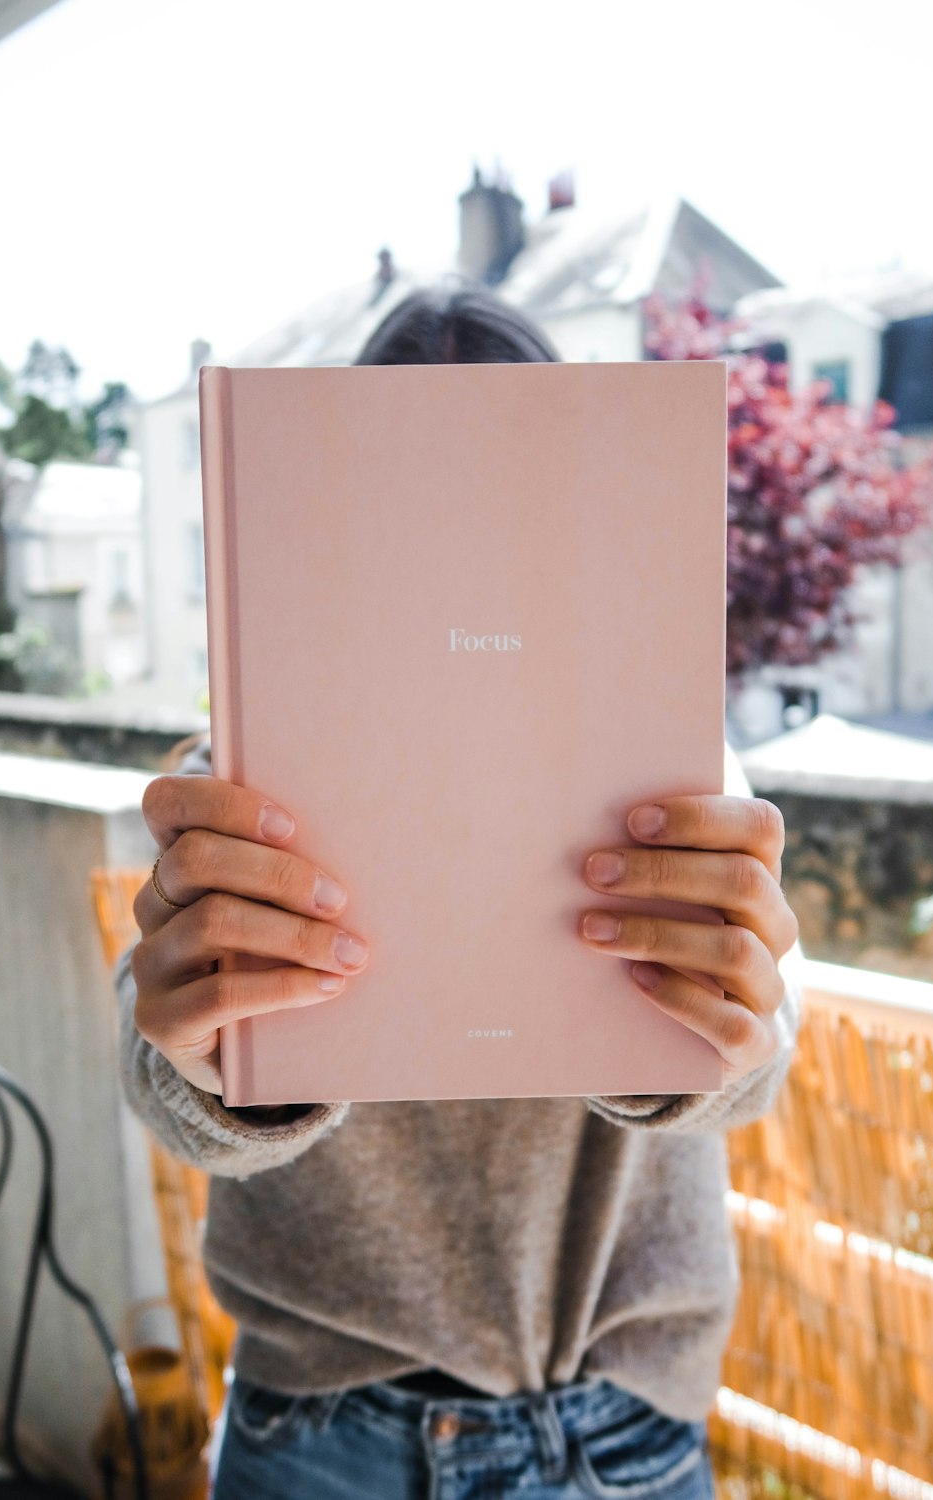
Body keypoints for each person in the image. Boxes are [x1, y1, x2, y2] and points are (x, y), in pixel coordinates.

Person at [115, 281, 805, 1500]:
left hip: (618, 1433)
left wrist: (727, 1014)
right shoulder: (244, 780)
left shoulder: (671, 767)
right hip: (317, 1429)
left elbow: (758, 1061)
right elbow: (160, 1080)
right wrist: (201, 1055)